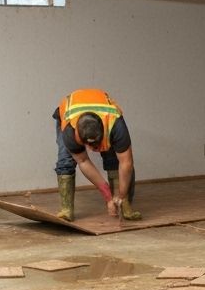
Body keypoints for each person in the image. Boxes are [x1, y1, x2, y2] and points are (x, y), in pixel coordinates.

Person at [52, 88, 140, 223]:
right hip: (69, 114)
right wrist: (108, 197)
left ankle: (124, 205)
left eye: (96, 145)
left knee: (113, 160)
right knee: (65, 162)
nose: (92, 149)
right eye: (88, 145)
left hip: (106, 117)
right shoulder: (70, 130)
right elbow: (83, 161)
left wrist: (121, 196)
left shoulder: (116, 125)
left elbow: (126, 163)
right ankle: (66, 210)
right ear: (79, 137)